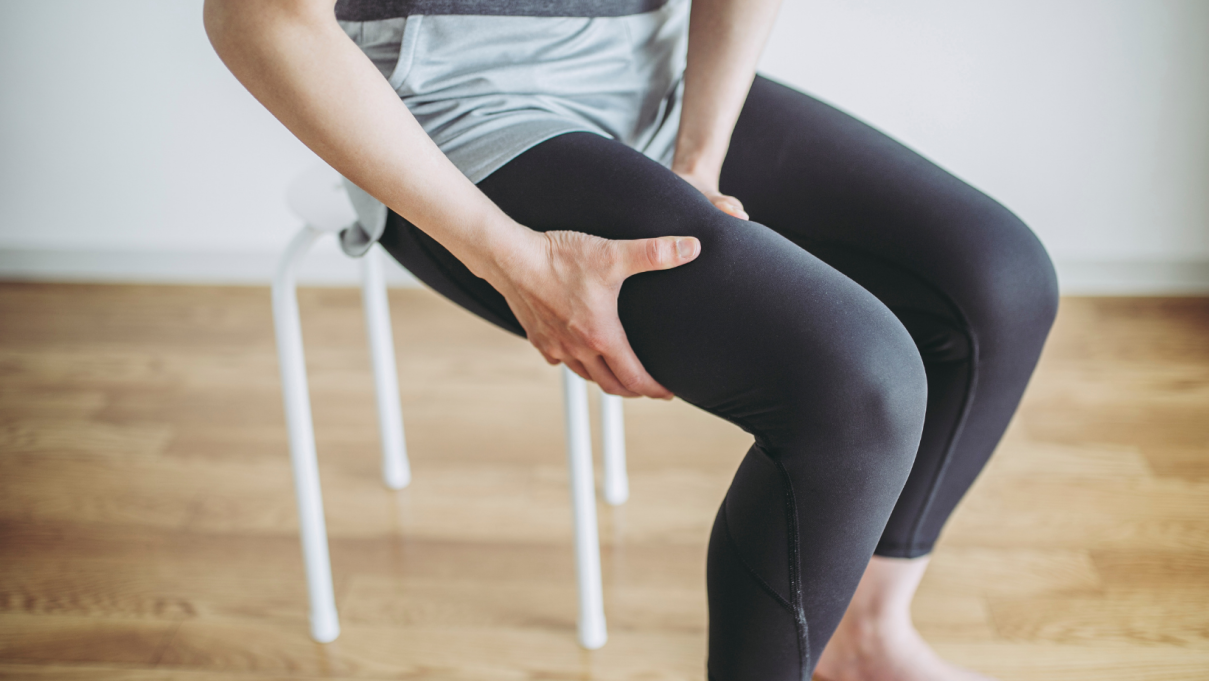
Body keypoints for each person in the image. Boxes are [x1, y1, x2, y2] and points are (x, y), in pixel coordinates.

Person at [204, 0, 1058, 679]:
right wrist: (516, 261)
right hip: (444, 107)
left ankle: (862, 636)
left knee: (1000, 283)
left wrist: (699, 156)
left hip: (646, 71)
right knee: (855, 383)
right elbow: (257, 17)